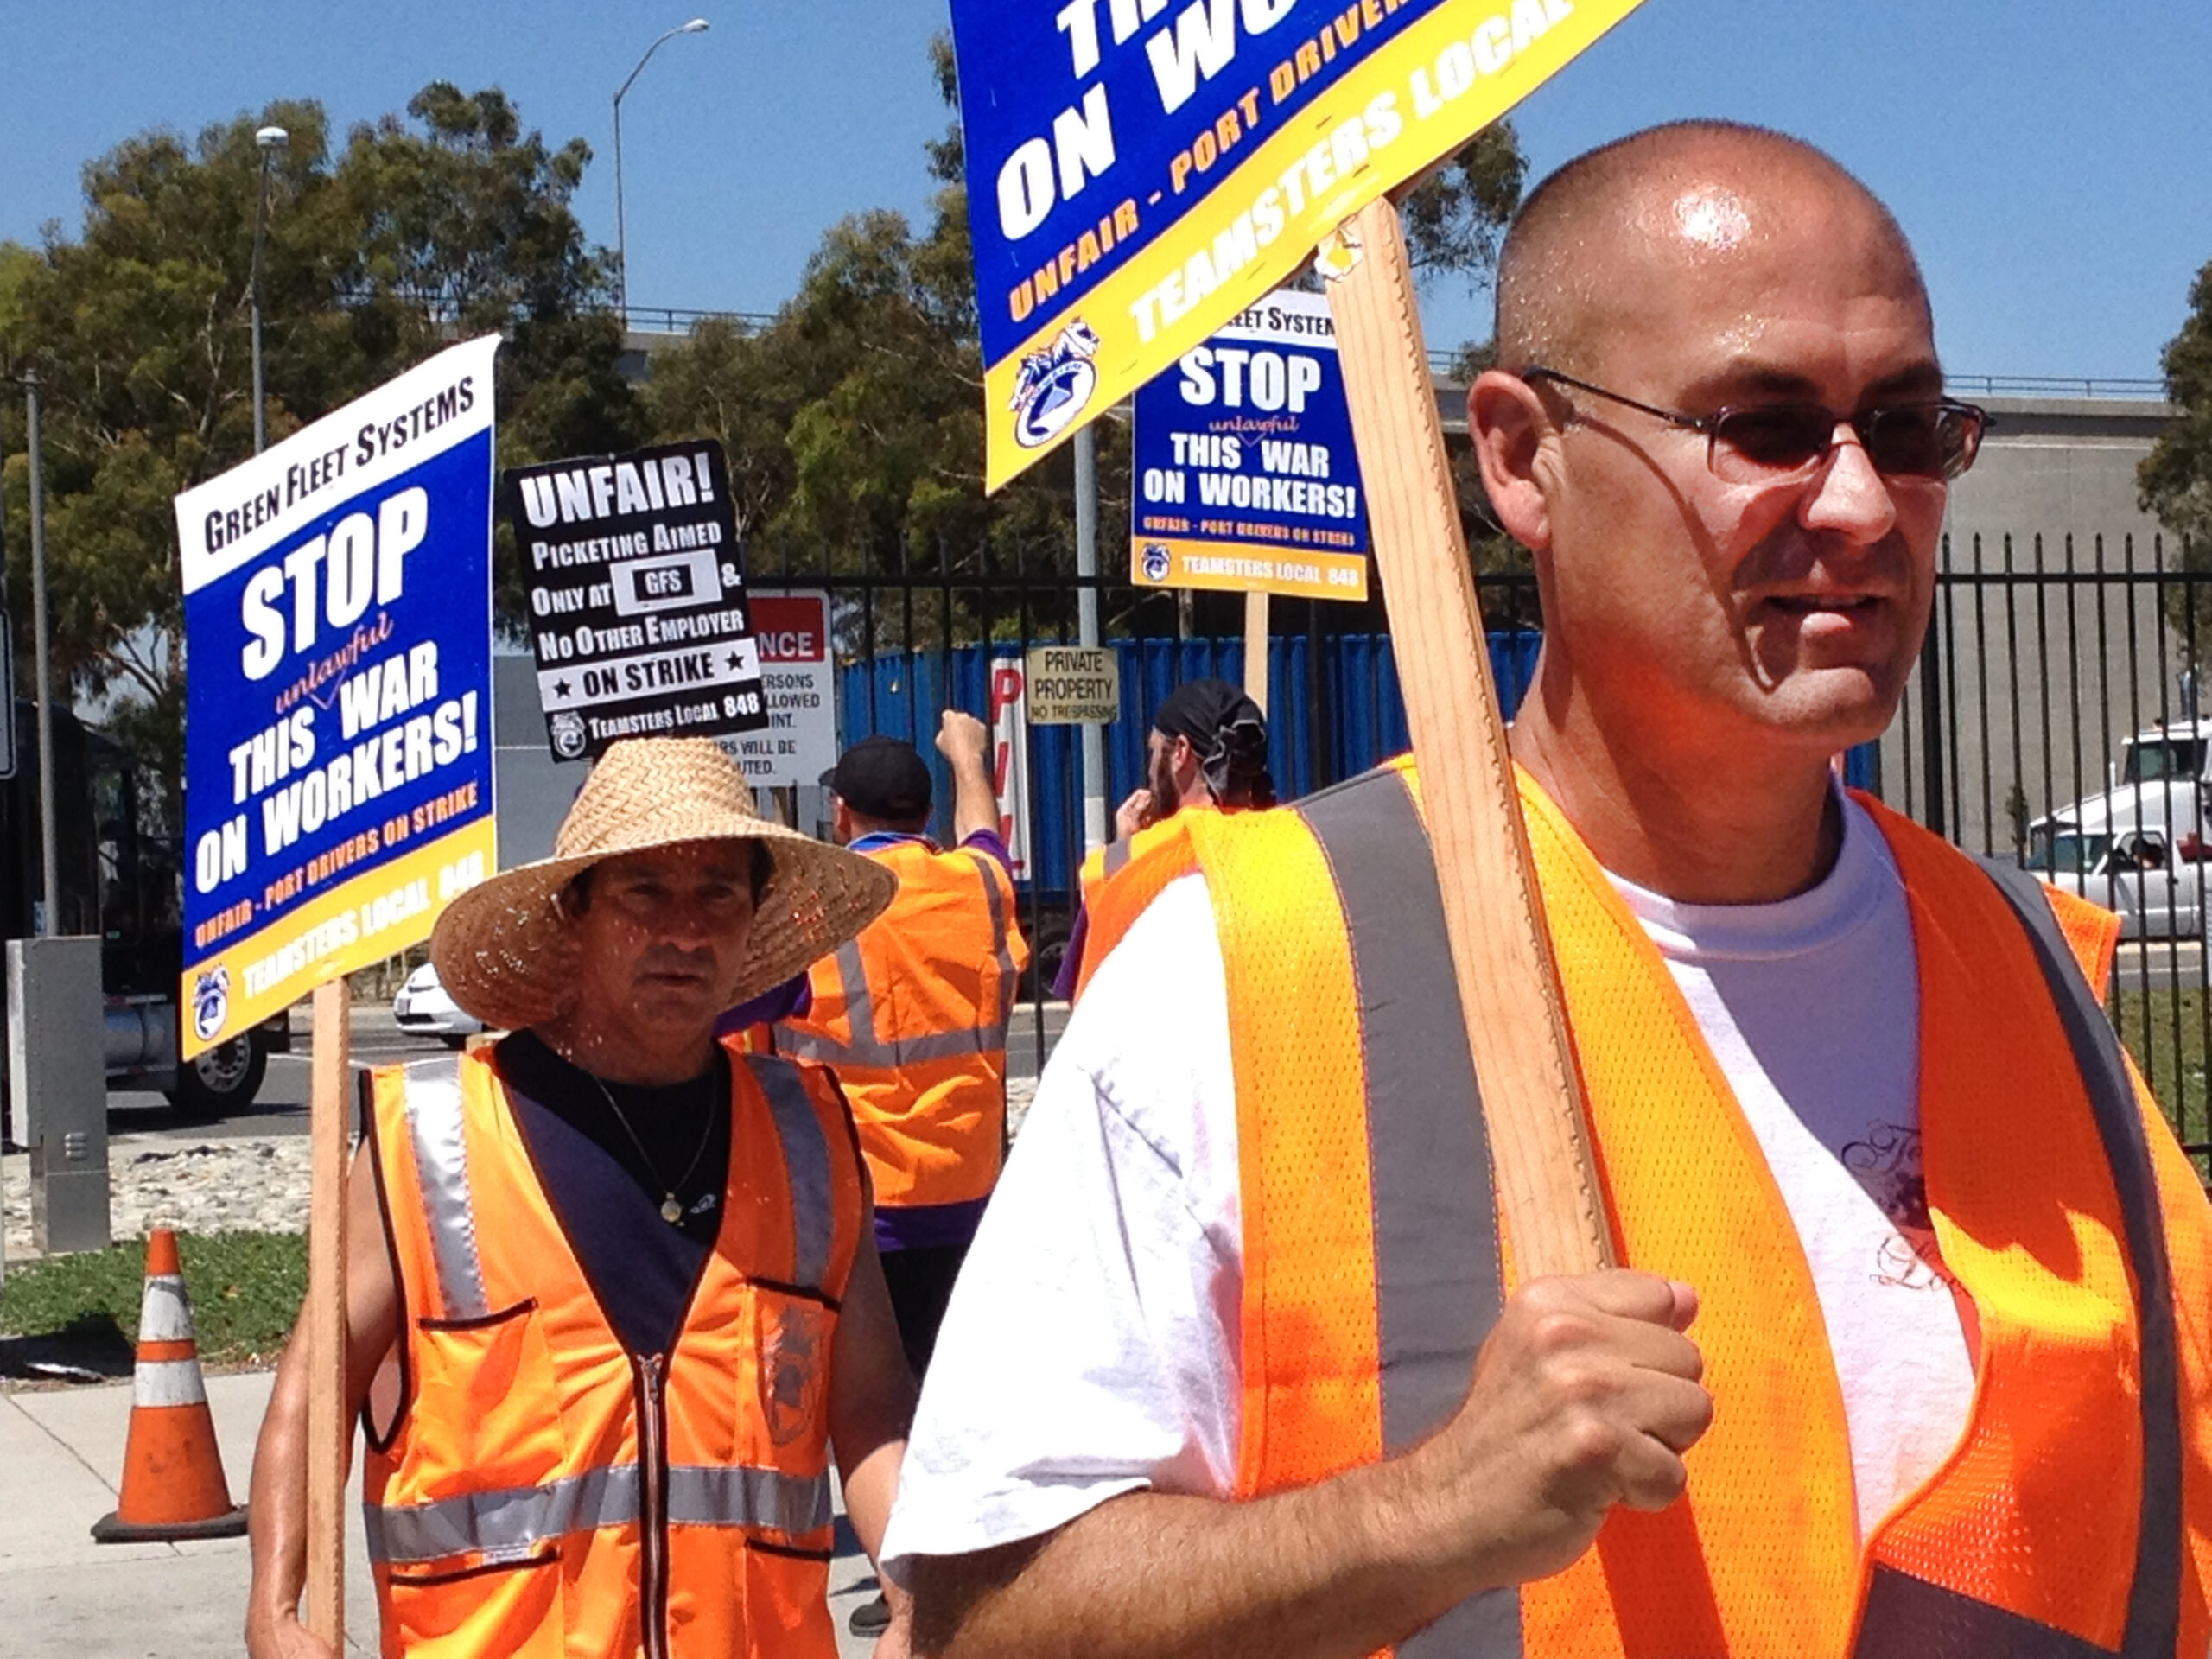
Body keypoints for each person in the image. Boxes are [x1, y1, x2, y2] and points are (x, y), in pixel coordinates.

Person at [882, 122, 2212, 1657]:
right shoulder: (1250, 976)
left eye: (1906, 428)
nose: (1860, 505)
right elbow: (976, 1620)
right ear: (1520, 459)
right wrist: (1428, 1514)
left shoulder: (2037, 966)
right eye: (1766, 424)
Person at [244, 737, 918, 1658]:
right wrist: (274, 1612)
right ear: (578, 914)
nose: (684, 929)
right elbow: (312, 1395)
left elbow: (871, 1409)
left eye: (718, 891)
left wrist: (914, 1590)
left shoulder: (808, 1136)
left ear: (752, 916)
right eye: (645, 891)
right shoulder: (427, 1139)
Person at [775, 715, 1028, 1637]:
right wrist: (970, 756)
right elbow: (987, 840)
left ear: (840, 814)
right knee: (958, 1403)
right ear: (924, 812)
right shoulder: (976, 888)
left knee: (880, 1415)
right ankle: (971, 1580)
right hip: (968, 1200)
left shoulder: (817, 911)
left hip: (864, 1208)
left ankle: (911, 1596)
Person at [1051, 677, 1274, 1000]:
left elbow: (1087, 999)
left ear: (1180, 752)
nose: (1151, 765)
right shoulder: (1291, 847)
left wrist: (1124, 847)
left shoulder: (1122, 865)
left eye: (1155, 750)